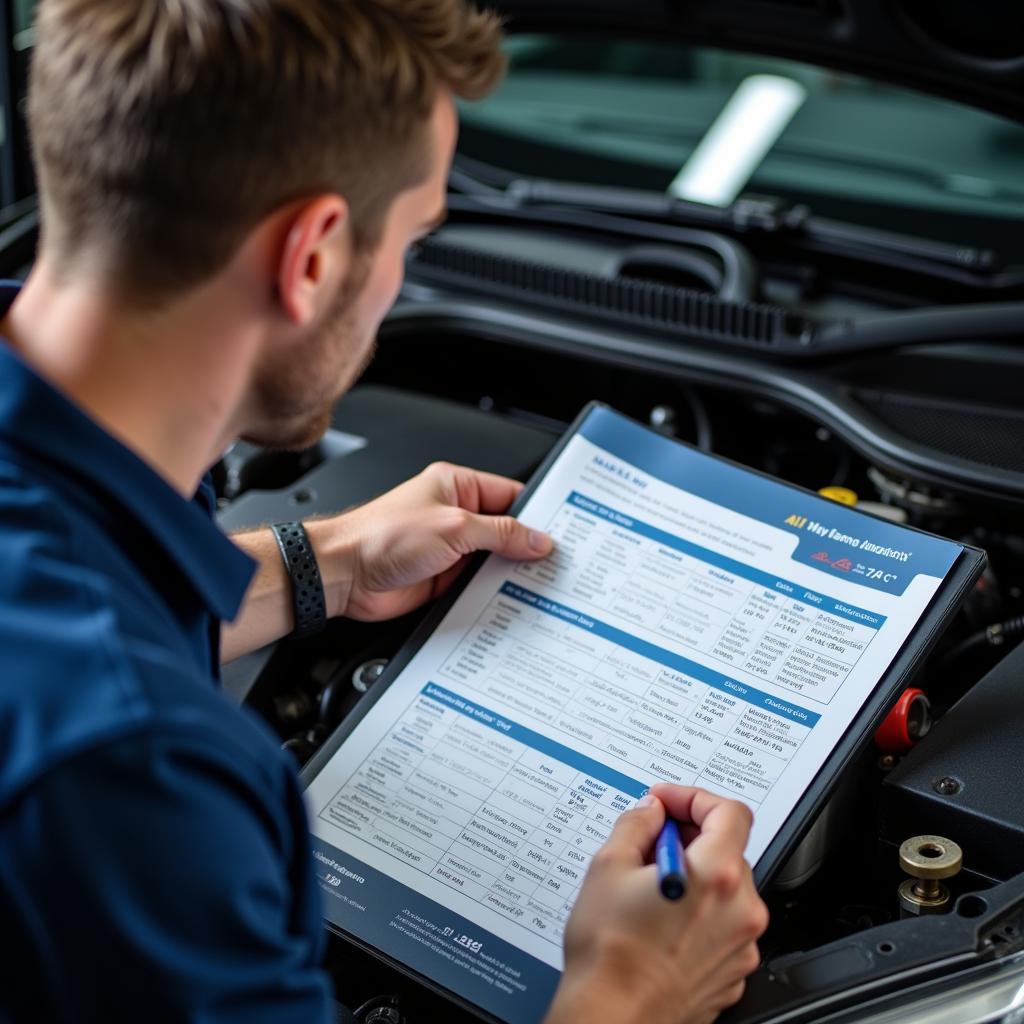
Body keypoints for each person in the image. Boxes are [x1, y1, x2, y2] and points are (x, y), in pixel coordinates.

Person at [0, 0, 767, 1021]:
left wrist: (326, 561)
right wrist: (629, 992)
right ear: (312, 255)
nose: (399, 283)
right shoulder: (141, 774)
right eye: (414, 235)